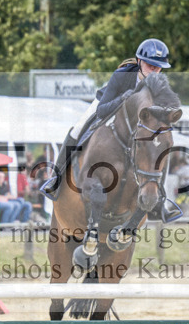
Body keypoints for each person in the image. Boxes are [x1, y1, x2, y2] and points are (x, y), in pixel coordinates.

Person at [40, 38, 172, 203]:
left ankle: (162, 199)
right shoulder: (122, 75)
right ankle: (55, 179)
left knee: (161, 144)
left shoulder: (159, 86)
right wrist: (123, 98)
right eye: (149, 65)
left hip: (132, 120)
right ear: (139, 61)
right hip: (107, 104)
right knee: (78, 128)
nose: (153, 70)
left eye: (158, 67)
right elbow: (102, 110)